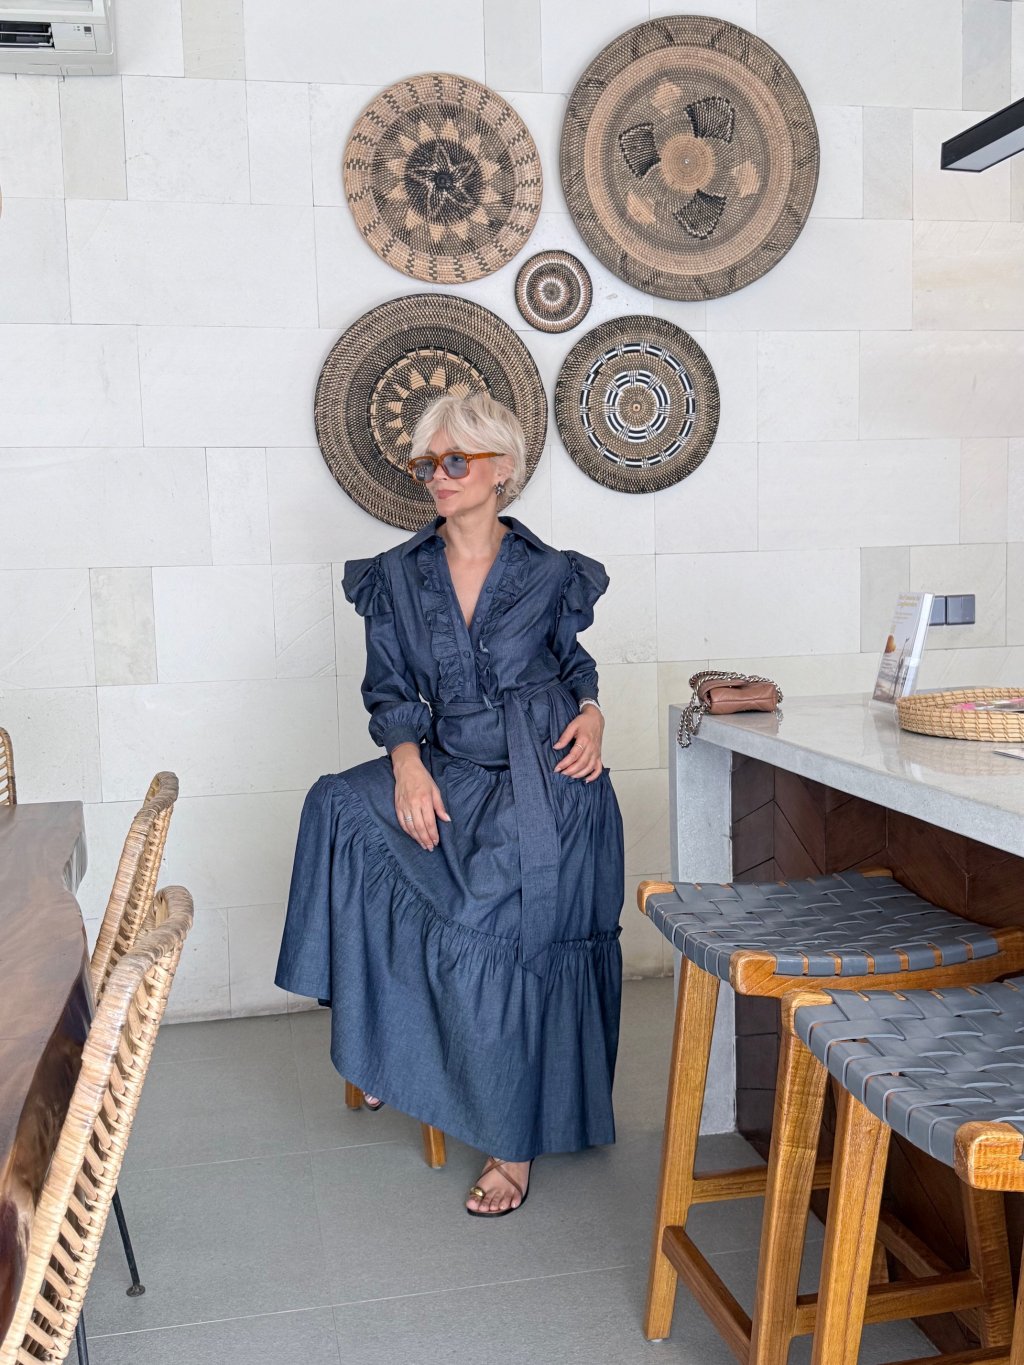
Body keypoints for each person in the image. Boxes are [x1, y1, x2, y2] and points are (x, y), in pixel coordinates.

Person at [276, 391, 624, 1217]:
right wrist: (406, 764)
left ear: (502, 469)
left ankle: (513, 1140)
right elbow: (390, 688)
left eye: (455, 460)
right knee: (338, 807)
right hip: (451, 765)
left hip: (547, 777)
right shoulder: (396, 576)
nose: (437, 476)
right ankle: (377, 1037)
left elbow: (573, 662)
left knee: (497, 924)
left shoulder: (552, 571)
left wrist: (593, 713)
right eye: (426, 463)